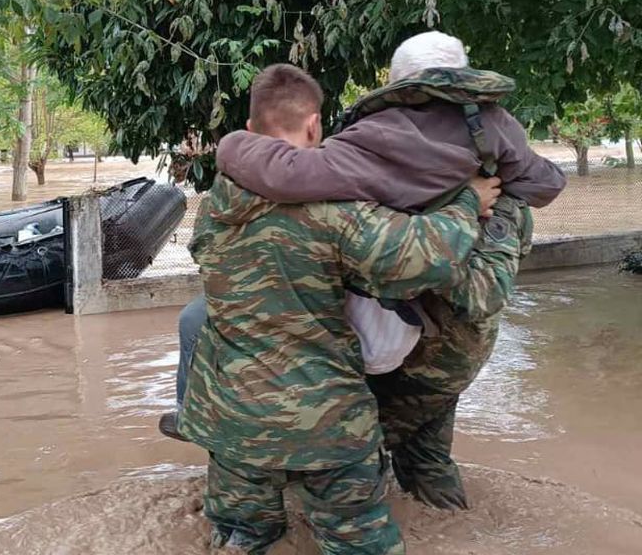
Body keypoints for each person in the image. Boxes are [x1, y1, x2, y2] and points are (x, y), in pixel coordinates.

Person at [163, 31, 565, 511]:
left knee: (344, 446)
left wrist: (234, 146)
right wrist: (472, 202)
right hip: (447, 345)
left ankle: (262, 469)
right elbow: (540, 194)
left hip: (399, 340)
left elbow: (297, 183)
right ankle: (432, 516)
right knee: (421, 455)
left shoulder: (367, 146)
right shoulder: (504, 165)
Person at [177, 63, 509, 555]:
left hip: (230, 419)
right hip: (324, 424)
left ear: (250, 124)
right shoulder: (331, 210)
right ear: (314, 126)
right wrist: (468, 199)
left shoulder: (214, 207)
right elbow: (427, 258)